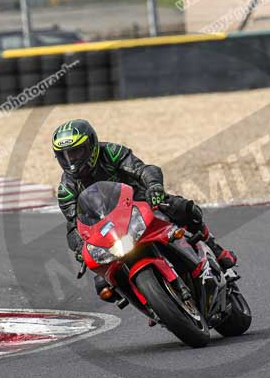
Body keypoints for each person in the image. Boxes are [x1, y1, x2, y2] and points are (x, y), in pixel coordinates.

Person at [52, 119, 237, 300]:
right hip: (109, 229)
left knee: (184, 208)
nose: (72, 161)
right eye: (65, 156)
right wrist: (79, 247)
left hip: (140, 202)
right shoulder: (66, 189)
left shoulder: (111, 152)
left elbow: (143, 170)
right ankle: (150, 303)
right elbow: (74, 225)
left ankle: (215, 248)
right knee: (103, 287)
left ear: (91, 145)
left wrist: (154, 187)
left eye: (76, 152)